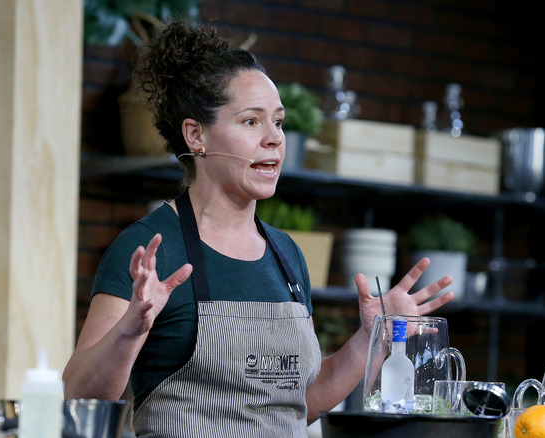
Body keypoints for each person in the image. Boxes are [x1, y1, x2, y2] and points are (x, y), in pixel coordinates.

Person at [62, 20, 454, 437]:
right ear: (196, 135)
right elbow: (77, 395)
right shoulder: (149, 248)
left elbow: (300, 404)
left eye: (279, 123)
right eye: (252, 122)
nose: (274, 139)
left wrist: (370, 335)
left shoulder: (286, 254)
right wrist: (130, 329)